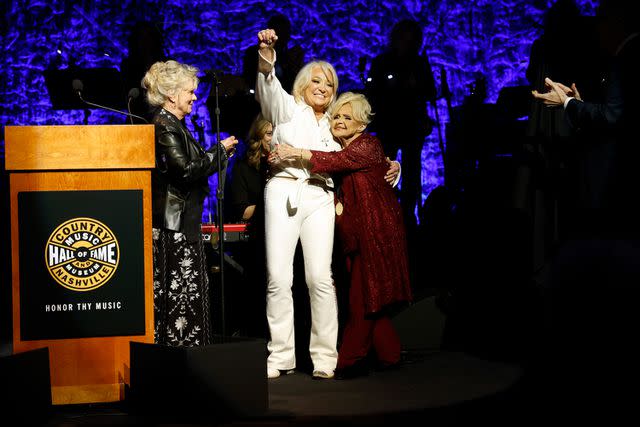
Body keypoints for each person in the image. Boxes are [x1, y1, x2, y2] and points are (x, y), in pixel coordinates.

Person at [255, 28, 399, 380]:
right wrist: (267, 55)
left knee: (320, 277)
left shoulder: (334, 126)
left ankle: (324, 356)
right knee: (278, 277)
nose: (323, 87)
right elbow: (269, 87)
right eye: (316, 81)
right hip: (284, 191)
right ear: (303, 84)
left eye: (330, 84)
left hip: (320, 197)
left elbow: (360, 150)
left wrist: (396, 165)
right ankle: (281, 356)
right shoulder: (288, 109)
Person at [530, 1, 640, 420]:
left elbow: (616, 117)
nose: (596, 33)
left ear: (615, 24)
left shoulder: (628, 60)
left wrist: (572, 107)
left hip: (615, 178)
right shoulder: (626, 58)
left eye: (601, 25)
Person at [272, 92, 413, 379]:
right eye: (336, 116)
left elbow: (337, 161)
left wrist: (296, 152)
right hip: (356, 234)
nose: (339, 121)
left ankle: (349, 358)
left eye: (347, 117)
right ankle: (390, 354)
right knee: (366, 293)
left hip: (376, 234)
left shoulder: (368, 144)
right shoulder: (345, 147)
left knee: (363, 297)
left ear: (361, 125)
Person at [142, 60, 238, 346]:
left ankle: (188, 354)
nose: (195, 97)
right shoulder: (164, 126)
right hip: (175, 228)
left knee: (189, 291)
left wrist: (216, 155)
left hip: (185, 224)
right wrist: (217, 153)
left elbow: (190, 165)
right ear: (172, 95)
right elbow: (183, 170)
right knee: (179, 293)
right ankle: (179, 354)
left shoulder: (175, 124)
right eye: (190, 92)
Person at [366, 18, 437, 235]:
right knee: (386, 170)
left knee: (412, 172)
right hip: (389, 125)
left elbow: (431, 93)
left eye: (412, 39)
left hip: (412, 126)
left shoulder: (419, 63)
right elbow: (373, 93)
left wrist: (417, 87)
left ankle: (408, 215)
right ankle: (385, 213)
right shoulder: (382, 62)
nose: (408, 43)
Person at [224, 114, 273, 339]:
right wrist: (272, 200)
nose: (274, 139)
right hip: (257, 236)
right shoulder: (244, 167)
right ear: (258, 138)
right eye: (269, 134)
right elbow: (242, 211)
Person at [243, 13, 305, 94]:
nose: (280, 36)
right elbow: (249, 80)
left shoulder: (292, 55)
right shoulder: (253, 53)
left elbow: (296, 82)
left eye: (284, 32)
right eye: (278, 31)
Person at [121, 21, 168, 123]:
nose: (145, 42)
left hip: (163, 117)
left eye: (148, 38)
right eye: (142, 38)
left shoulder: (166, 64)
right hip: (137, 118)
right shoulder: (129, 65)